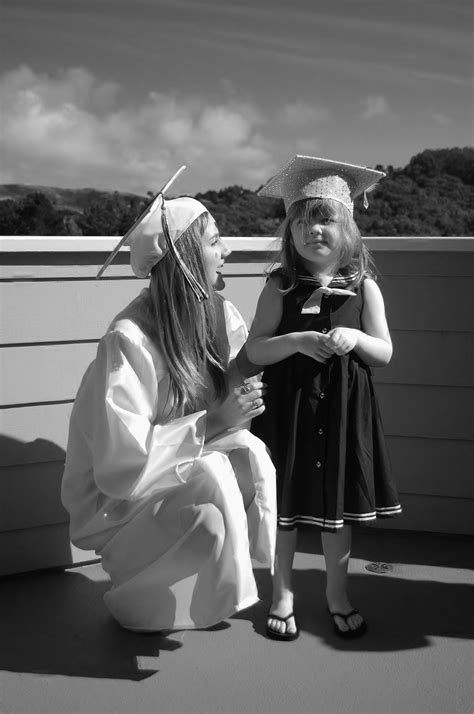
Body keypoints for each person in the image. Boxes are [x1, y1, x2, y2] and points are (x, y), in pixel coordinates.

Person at [61, 171, 276, 633]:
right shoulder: (130, 340)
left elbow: (227, 403)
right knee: (217, 476)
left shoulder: (218, 315)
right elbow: (122, 463)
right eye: (216, 241)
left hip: (166, 471)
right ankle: (135, 594)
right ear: (184, 257)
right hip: (116, 499)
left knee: (248, 455)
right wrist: (216, 421)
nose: (227, 252)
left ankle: (200, 584)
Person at [246, 156, 401, 641]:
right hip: (289, 410)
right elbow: (254, 349)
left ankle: (337, 595)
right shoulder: (279, 287)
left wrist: (354, 340)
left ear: (348, 228)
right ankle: (283, 593)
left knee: (337, 515)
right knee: (286, 510)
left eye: (326, 218)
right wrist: (294, 341)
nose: (314, 230)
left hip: (342, 415)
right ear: (289, 232)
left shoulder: (365, 288)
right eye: (303, 220)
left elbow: (385, 352)